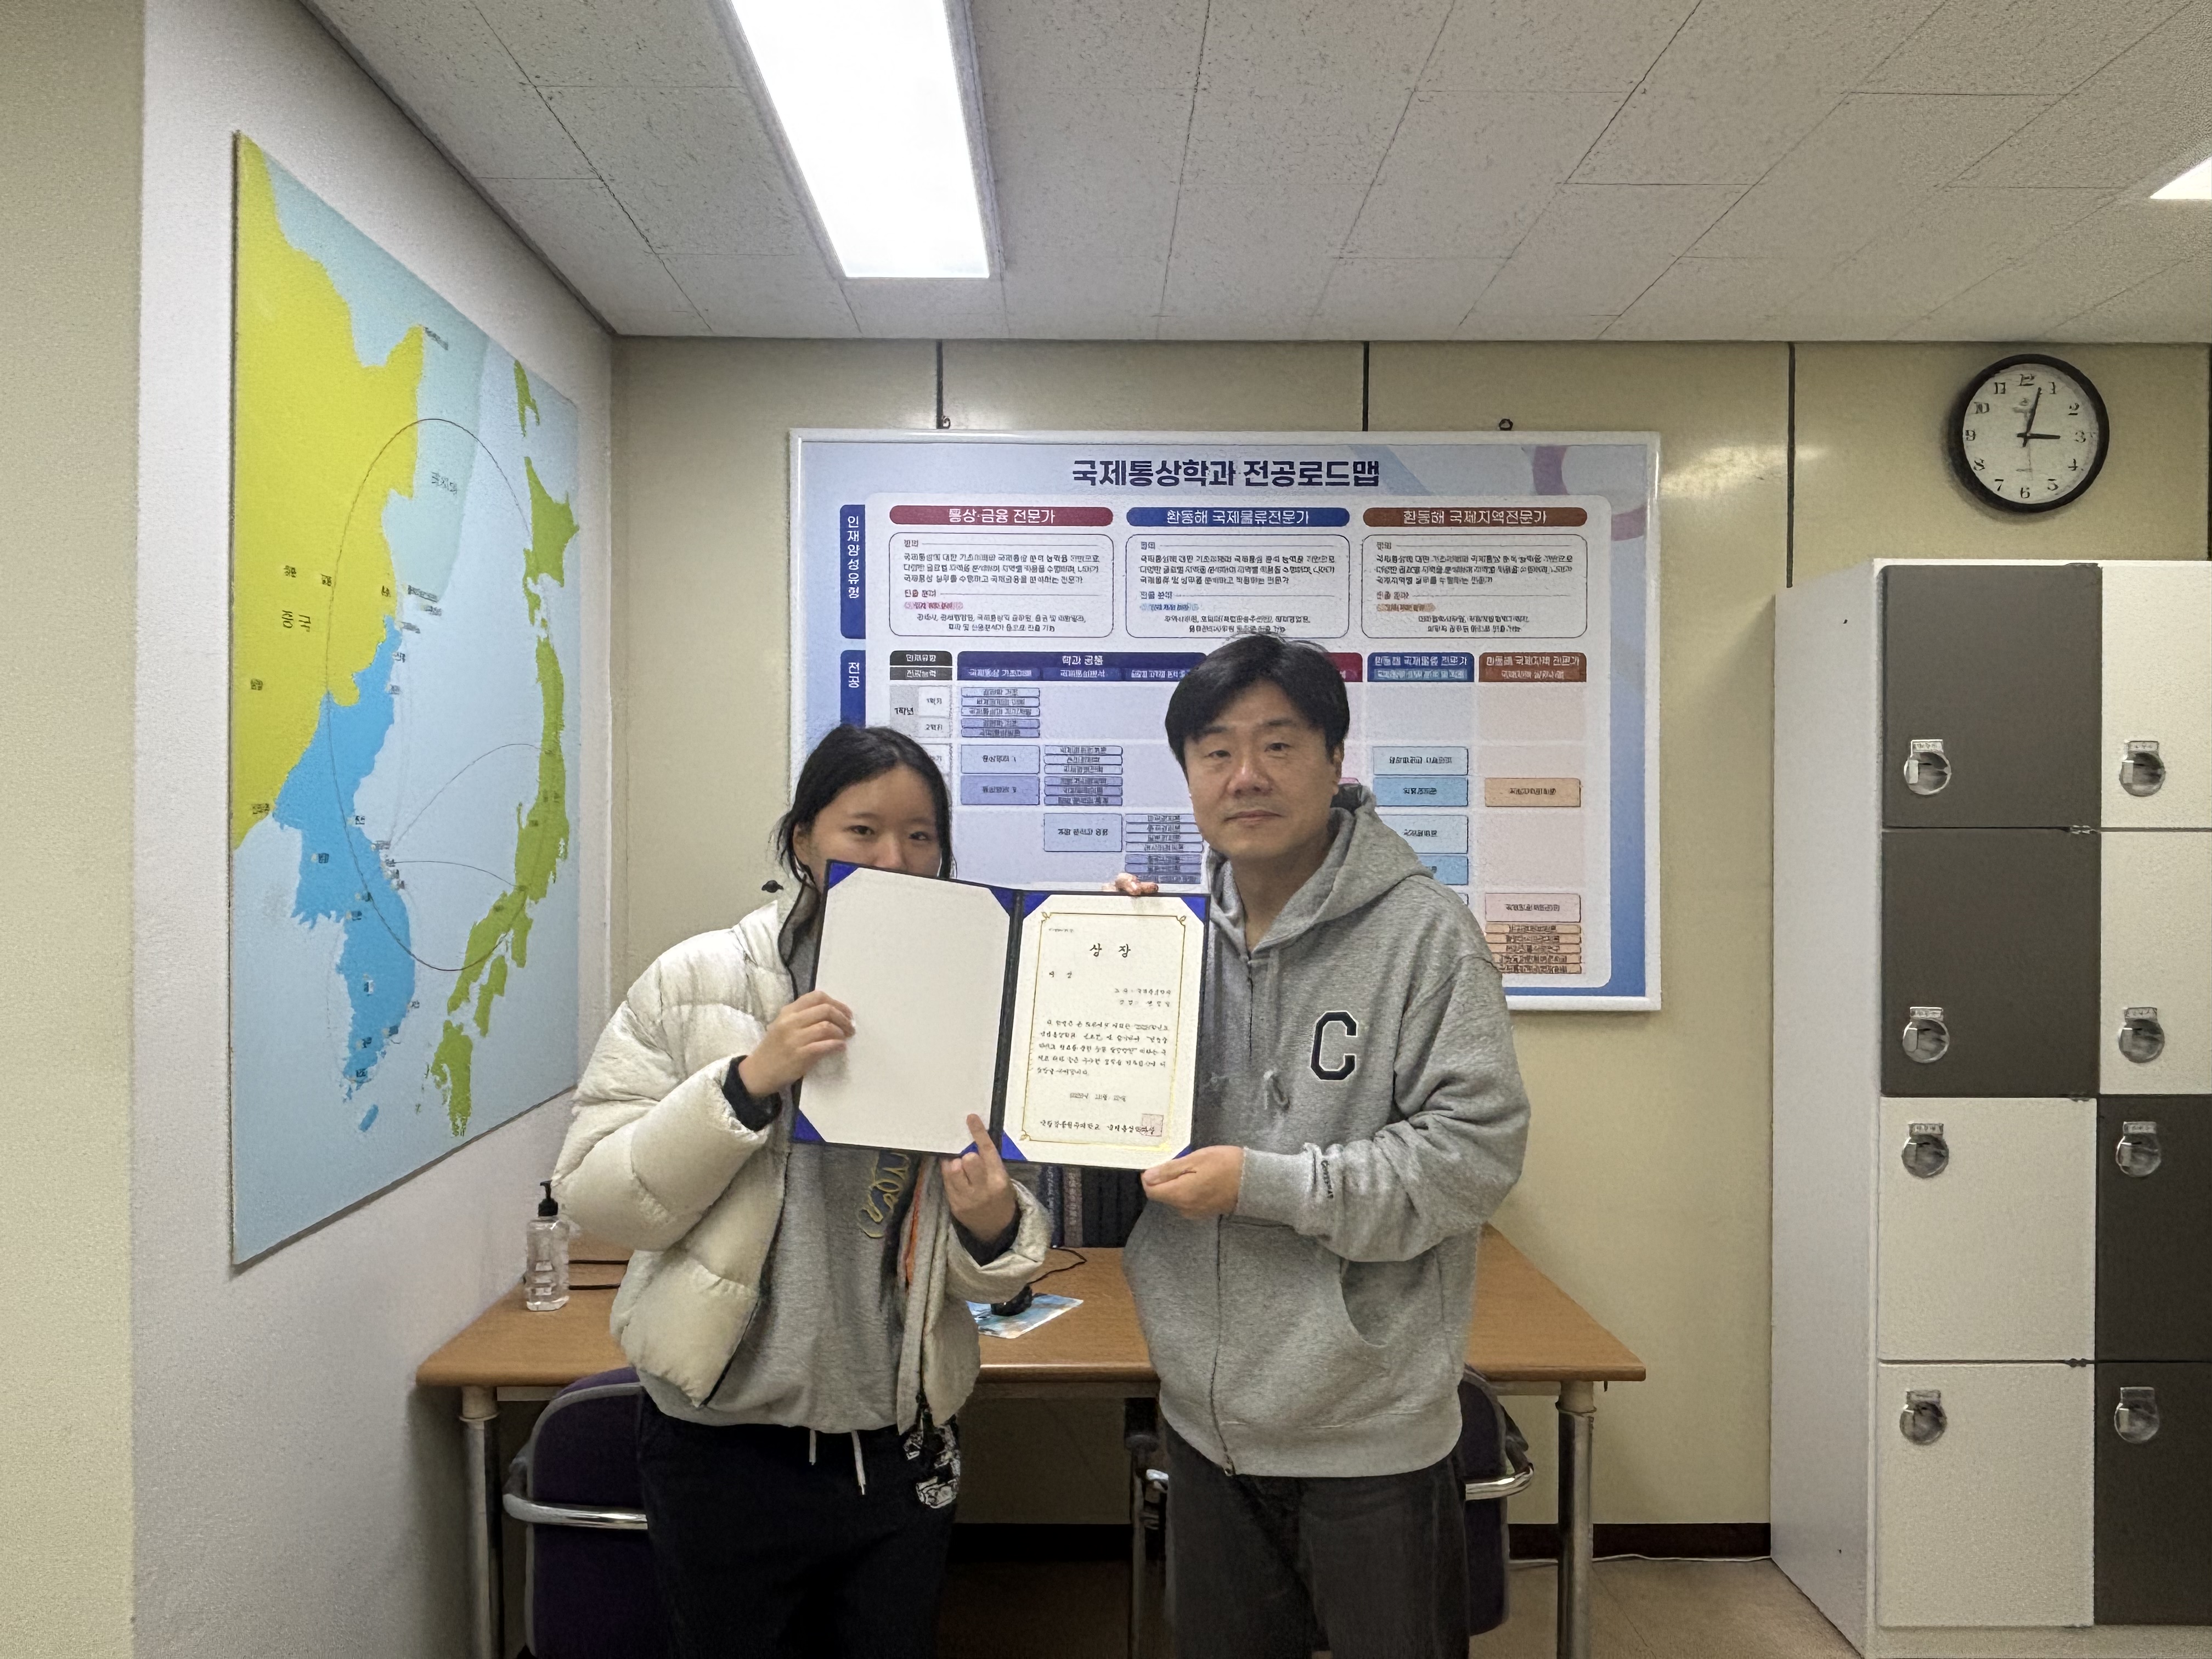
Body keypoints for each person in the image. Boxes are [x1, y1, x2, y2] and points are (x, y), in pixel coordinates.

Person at [551, 724, 1048, 1659]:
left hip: (897, 1448)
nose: (894, 858)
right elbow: (597, 1196)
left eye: (921, 836)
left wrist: (993, 1228)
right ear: (802, 840)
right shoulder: (694, 982)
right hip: (720, 1448)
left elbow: (995, 1271)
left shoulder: (970, 997)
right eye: (863, 830)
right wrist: (746, 1084)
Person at [1116, 634, 1530, 1659]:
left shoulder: (1425, 934)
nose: (1246, 776)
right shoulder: (1168, 939)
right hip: (1204, 1421)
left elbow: (1472, 1156)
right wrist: (1104, 968)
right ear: (1189, 774)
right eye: (1216, 751)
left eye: (1279, 744)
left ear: (1335, 760)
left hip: (1370, 1430)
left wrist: (1263, 1185)